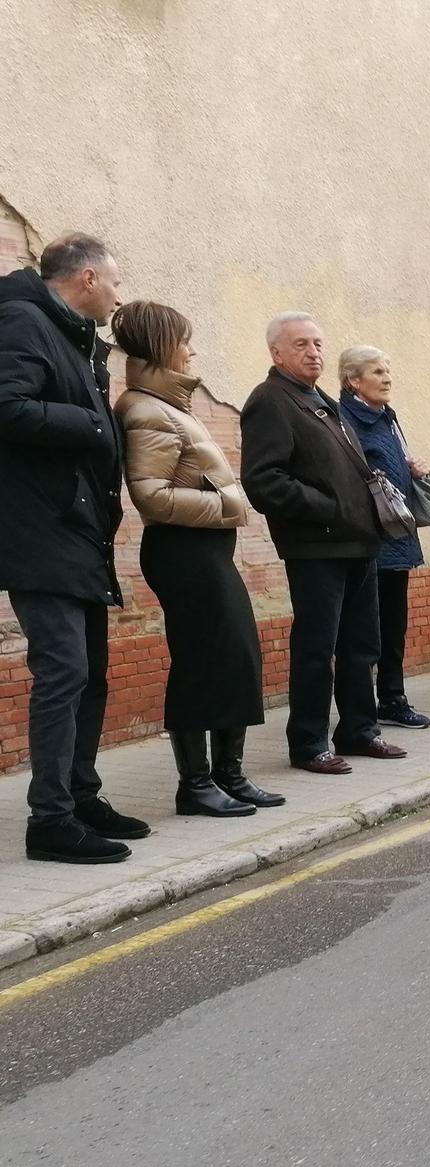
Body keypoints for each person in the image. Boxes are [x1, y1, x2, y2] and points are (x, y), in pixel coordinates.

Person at [0, 233, 151, 862]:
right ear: (87, 279)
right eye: (114, 282)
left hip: (78, 530)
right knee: (64, 671)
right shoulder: (22, 320)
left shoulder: (72, 335)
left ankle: (80, 796)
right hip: (40, 529)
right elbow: (7, 407)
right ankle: (50, 821)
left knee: (89, 672)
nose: (119, 295)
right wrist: (96, 424)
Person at [111, 300, 281, 817]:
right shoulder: (145, 409)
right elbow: (151, 496)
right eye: (185, 340)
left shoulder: (170, 406)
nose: (193, 350)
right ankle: (196, 784)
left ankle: (229, 775)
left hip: (205, 551)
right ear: (163, 345)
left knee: (236, 658)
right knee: (201, 664)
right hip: (183, 552)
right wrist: (229, 505)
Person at [242, 312, 401, 774]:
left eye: (317, 344)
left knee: (361, 645)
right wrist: (330, 506)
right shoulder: (271, 400)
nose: (313, 352)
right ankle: (309, 743)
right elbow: (263, 480)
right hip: (316, 547)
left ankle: (358, 729)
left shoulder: (321, 399)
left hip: (358, 545)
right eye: (301, 345)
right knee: (317, 649)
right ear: (276, 353)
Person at [338, 346, 430, 732]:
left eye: (387, 370)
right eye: (377, 371)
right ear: (353, 380)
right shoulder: (347, 421)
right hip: (370, 540)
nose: (387, 377)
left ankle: (392, 698)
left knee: (394, 627)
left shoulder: (387, 418)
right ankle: (362, 710)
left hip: (397, 536)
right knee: (366, 633)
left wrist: (414, 468)